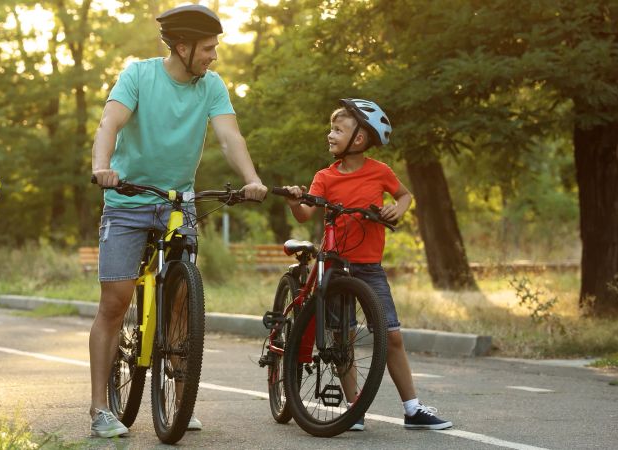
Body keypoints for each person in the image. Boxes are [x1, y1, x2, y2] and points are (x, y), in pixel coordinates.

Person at [88, 4, 268, 438]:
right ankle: (99, 409)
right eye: (207, 48)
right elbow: (110, 123)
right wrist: (102, 166)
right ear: (182, 47)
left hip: (178, 201)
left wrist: (251, 179)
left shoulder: (212, 86)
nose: (214, 56)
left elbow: (230, 136)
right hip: (129, 199)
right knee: (115, 302)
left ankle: (181, 400)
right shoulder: (138, 75)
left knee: (181, 299)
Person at [280, 98, 453, 431]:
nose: (330, 134)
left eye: (337, 129)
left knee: (392, 336)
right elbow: (305, 214)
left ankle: (413, 409)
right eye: (331, 128)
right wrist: (293, 203)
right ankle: (353, 406)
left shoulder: (380, 172)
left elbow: (404, 195)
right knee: (342, 336)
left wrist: (398, 210)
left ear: (358, 139)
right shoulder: (325, 177)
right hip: (334, 266)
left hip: (368, 267)